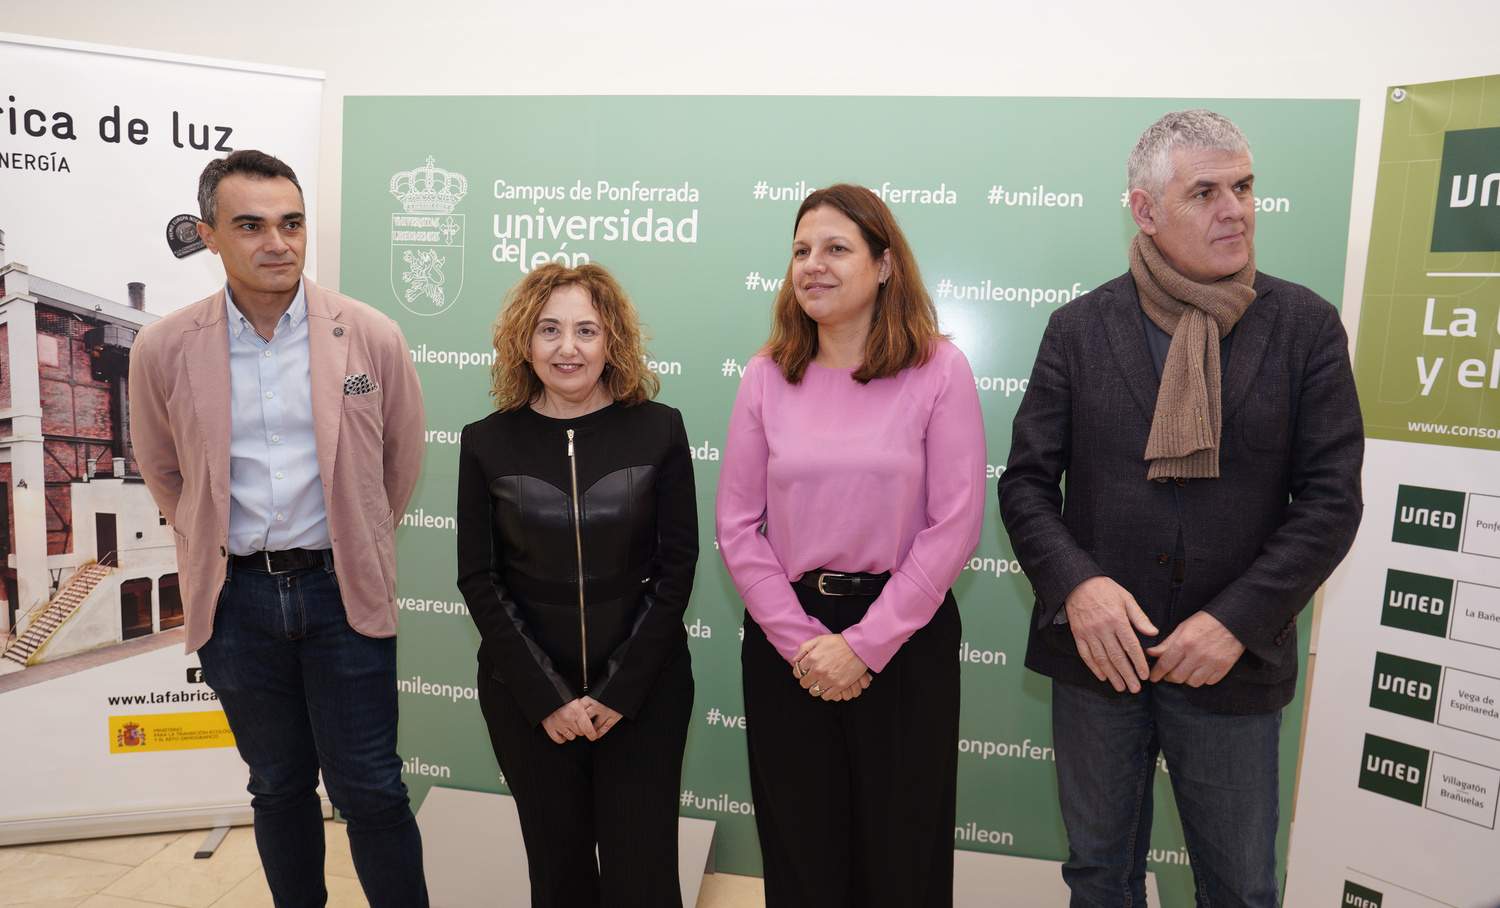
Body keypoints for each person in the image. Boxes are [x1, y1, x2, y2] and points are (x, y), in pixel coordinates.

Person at [998, 109, 1364, 906]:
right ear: (1146, 211)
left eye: (1243, 186)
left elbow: (1332, 502)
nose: (1234, 208)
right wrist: (1080, 590)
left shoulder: (1304, 328)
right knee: (1099, 875)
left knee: (1238, 887)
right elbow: (1026, 484)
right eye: (1205, 192)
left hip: (1231, 663)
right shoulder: (1079, 329)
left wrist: (1236, 620)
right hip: (1100, 661)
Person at [129, 149, 429, 907]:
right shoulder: (164, 347)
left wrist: (355, 540)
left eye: (292, 223)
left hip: (342, 597)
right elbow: (164, 470)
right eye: (252, 225)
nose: (278, 243)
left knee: (373, 789)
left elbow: (398, 461)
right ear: (209, 235)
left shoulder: (369, 335)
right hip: (237, 605)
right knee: (277, 787)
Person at [716, 184, 986, 907]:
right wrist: (804, 642)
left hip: (904, 642)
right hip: (788, 646)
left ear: (885, 264)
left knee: (903, 855)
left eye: (836, 248)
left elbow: (955, 524)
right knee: (801, 852)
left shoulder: (939, 370)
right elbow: (738, 527)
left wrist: (863, 646)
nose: (813, 264)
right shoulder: (766, 375)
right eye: (801, 250)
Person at [457, 262, 697, 907]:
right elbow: (479, 578)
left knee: (642, 871)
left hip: (644, 693)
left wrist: (622, 688)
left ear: (612, 340)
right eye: (550, 330)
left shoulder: (660, 429)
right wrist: (547, 696)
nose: (568, 348)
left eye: (586, 330)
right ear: (524, 344)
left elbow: (676, 570)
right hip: (528, 699)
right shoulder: (484, 443)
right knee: (557, 870)